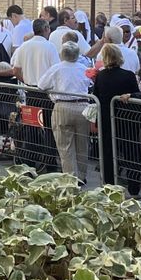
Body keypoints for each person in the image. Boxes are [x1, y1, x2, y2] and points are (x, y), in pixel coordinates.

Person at [38, 37, 92, 178]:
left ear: (62, 54)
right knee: (82, 144)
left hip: (62, 106)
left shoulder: (56, 68)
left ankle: (70, 176)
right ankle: (82, 176)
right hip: (82, 107)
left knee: (65, 145)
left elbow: (41, 85)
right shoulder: (84, 69)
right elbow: (91, 83)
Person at [92, 43, 140, 191]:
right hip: (126, 120)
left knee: (107, 151)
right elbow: (136, 96)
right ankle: (133, 186)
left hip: (106, 118)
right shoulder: (128, 75)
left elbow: (96, 96)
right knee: (131, 152)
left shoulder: (100, 76)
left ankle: (109, 184)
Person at [10, 18, 57, 87]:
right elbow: (56, 69)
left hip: (29, 88)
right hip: (45, 90)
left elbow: (16, 70)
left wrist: (25, 81)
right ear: (46, 29)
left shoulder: (23, 46)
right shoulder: (50, 46)